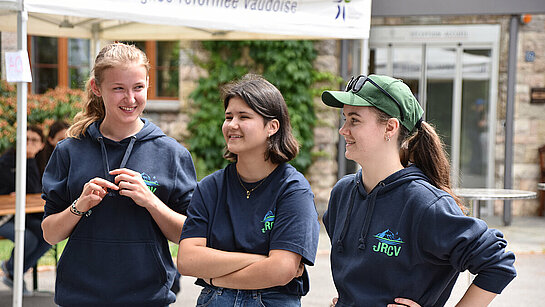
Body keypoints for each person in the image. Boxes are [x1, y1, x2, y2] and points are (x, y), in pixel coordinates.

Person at [320, 74, 516, 307]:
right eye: (344, 118)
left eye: (354, 120)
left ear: (390, 127)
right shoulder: (342, 193)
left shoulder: (425, 203)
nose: (343, 130)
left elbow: (498, 263)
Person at [41, 43, 197, 307]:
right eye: (118, 89)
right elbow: (50, 234)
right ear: (96, 88)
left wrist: (150, 201)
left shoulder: (171, 153)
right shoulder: (69, 150)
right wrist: (80, 205)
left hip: (148, 298)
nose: (131, 98)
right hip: (79, 297)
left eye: (138, 87)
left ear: (148, 83)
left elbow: (189, 234)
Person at [177, 74, 320, 306]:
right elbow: (187, 260)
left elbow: (282, 270)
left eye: (244, 116)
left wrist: (213, 276)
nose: (232, 125)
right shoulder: (210, 188)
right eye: (228, 116)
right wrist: (260, 260)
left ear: (272, 127)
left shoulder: (293, 190)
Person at [0, 125, 51, 295]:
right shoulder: (7, 161)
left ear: (42, 144)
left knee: (48, 235)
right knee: (27, 238)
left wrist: (30, 159)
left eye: (34, 140)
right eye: (26, 139)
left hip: (27, 215)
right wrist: (27, 158)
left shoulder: (43, 161)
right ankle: (13, 271)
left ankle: (12, 271)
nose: (29, 143)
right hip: (5, 217)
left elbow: (35, 191)